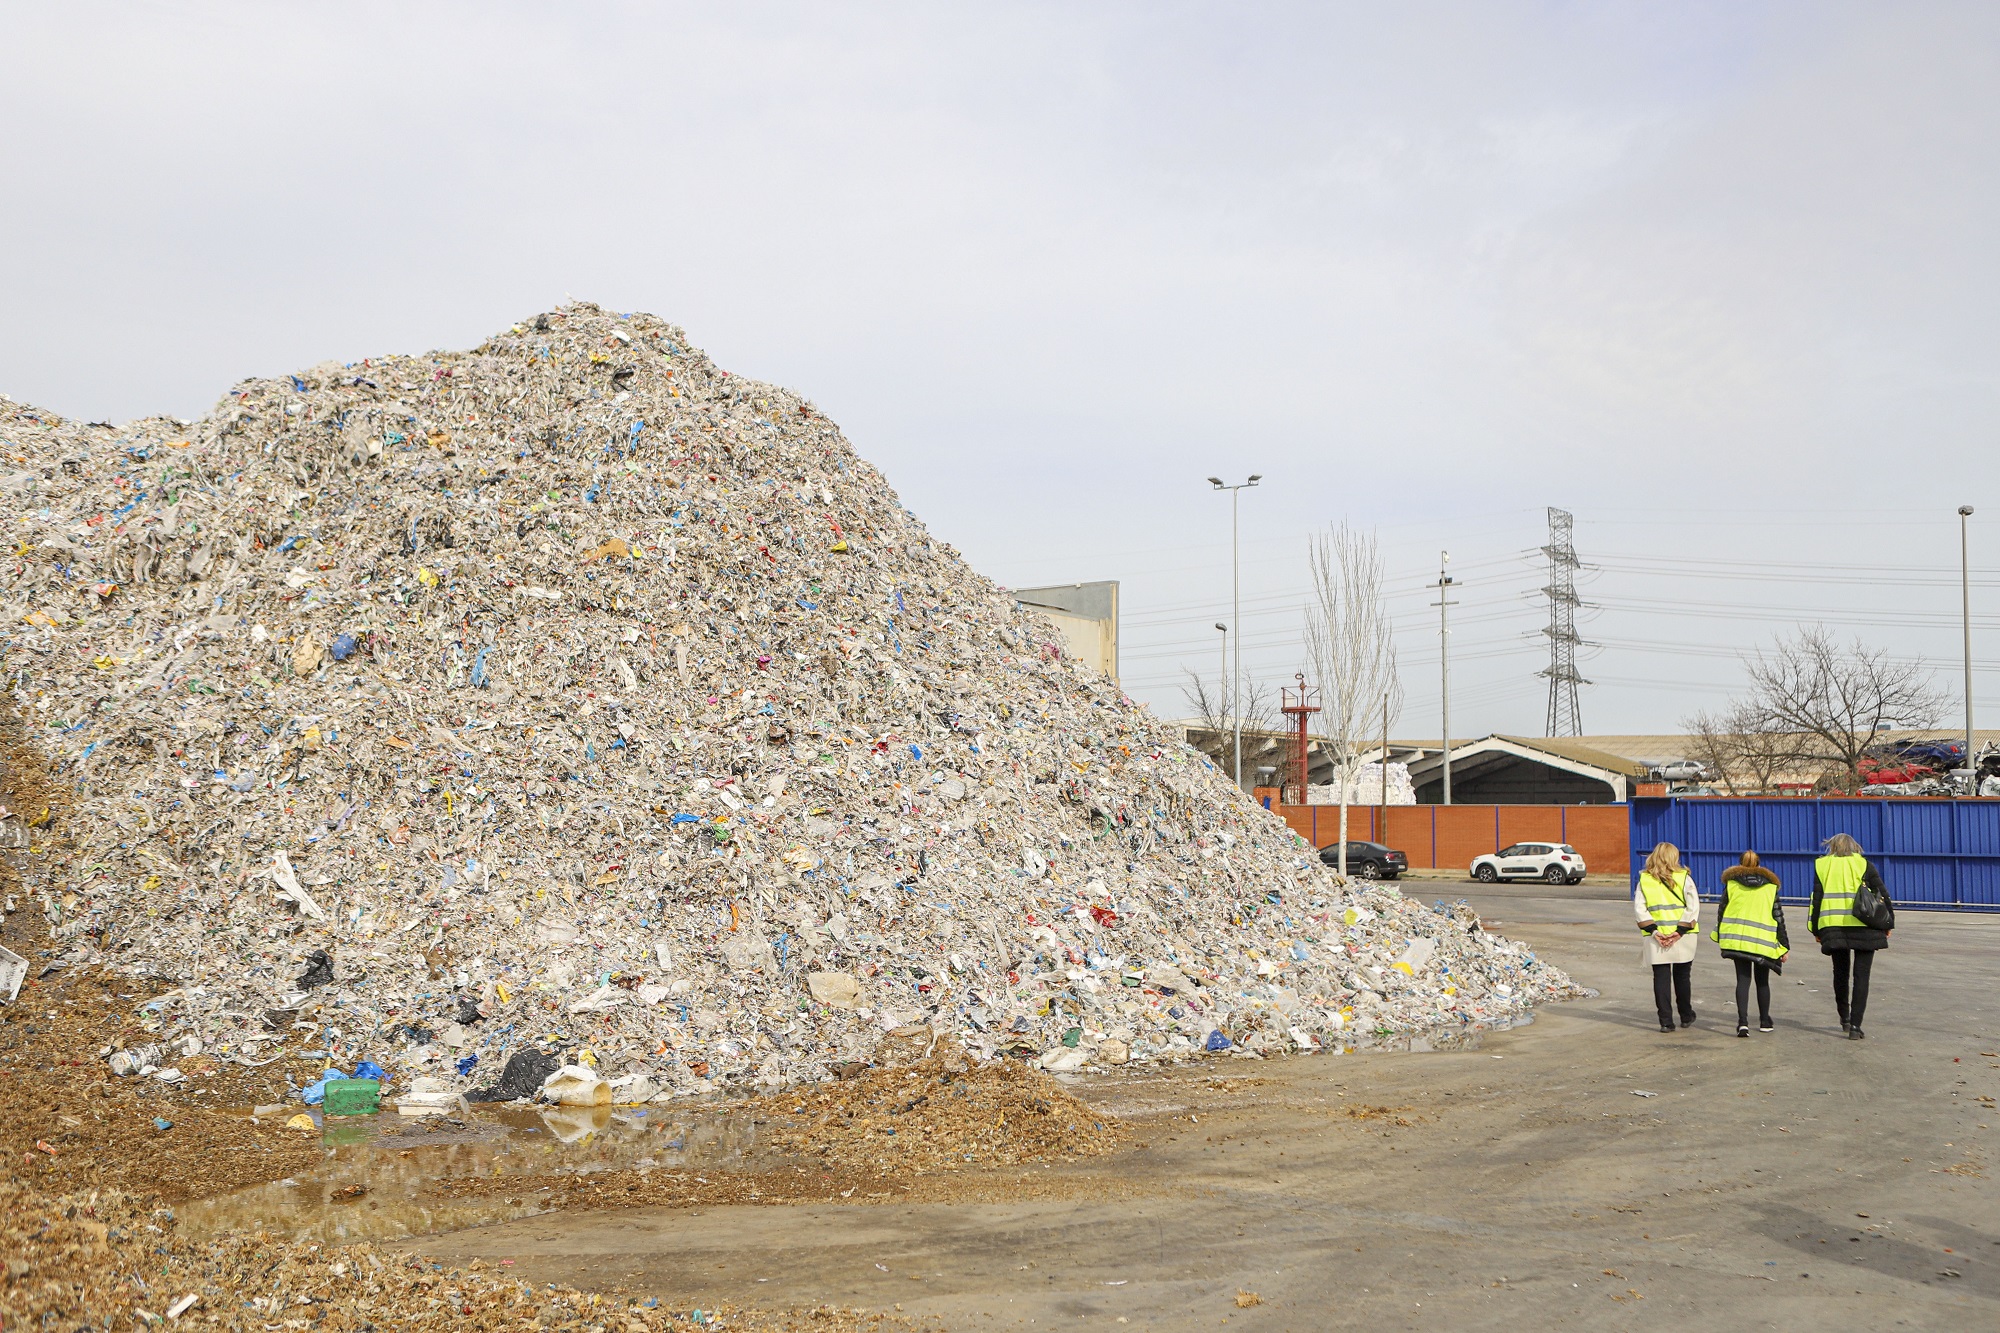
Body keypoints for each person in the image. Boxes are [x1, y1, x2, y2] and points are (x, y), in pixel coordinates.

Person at [1810, 832, 1892, 1040]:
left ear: (1832, 847)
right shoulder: (1864, 865)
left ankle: (1844, 1019)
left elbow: (1816, 899)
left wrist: (1816, 928)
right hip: (1865, 926)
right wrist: (1888, 922)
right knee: (1861, 976)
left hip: (1833, 926)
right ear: (1855, 847)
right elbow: (1882, 894)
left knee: (1840, 973)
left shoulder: (1822, 866)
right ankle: (1856, 1026)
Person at [1711, 851, 1788, 1037]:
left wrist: (1720, 936)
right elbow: (1778, 918)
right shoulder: (1770, 887)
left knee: (1742, 981)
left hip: (1738, 940)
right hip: (1763, 942)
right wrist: (1784, 946)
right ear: (1759, 864)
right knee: (1763, 982)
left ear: (1739, 864)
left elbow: (1722, 912)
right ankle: (1764, 1021)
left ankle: (1743, 1023)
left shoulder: (1731, 885)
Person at [1634, 841, 1701, 1032]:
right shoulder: (1684, 878)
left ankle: (1666, 1021)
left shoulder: (1644, 880)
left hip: (1656, 936)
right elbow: (1693, 907)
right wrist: (1679, 932)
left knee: (1660, 977)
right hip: (1683, 935)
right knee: (1682, 976)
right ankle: (1686, 1016)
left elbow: (1640, 909)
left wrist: (1654, 931)